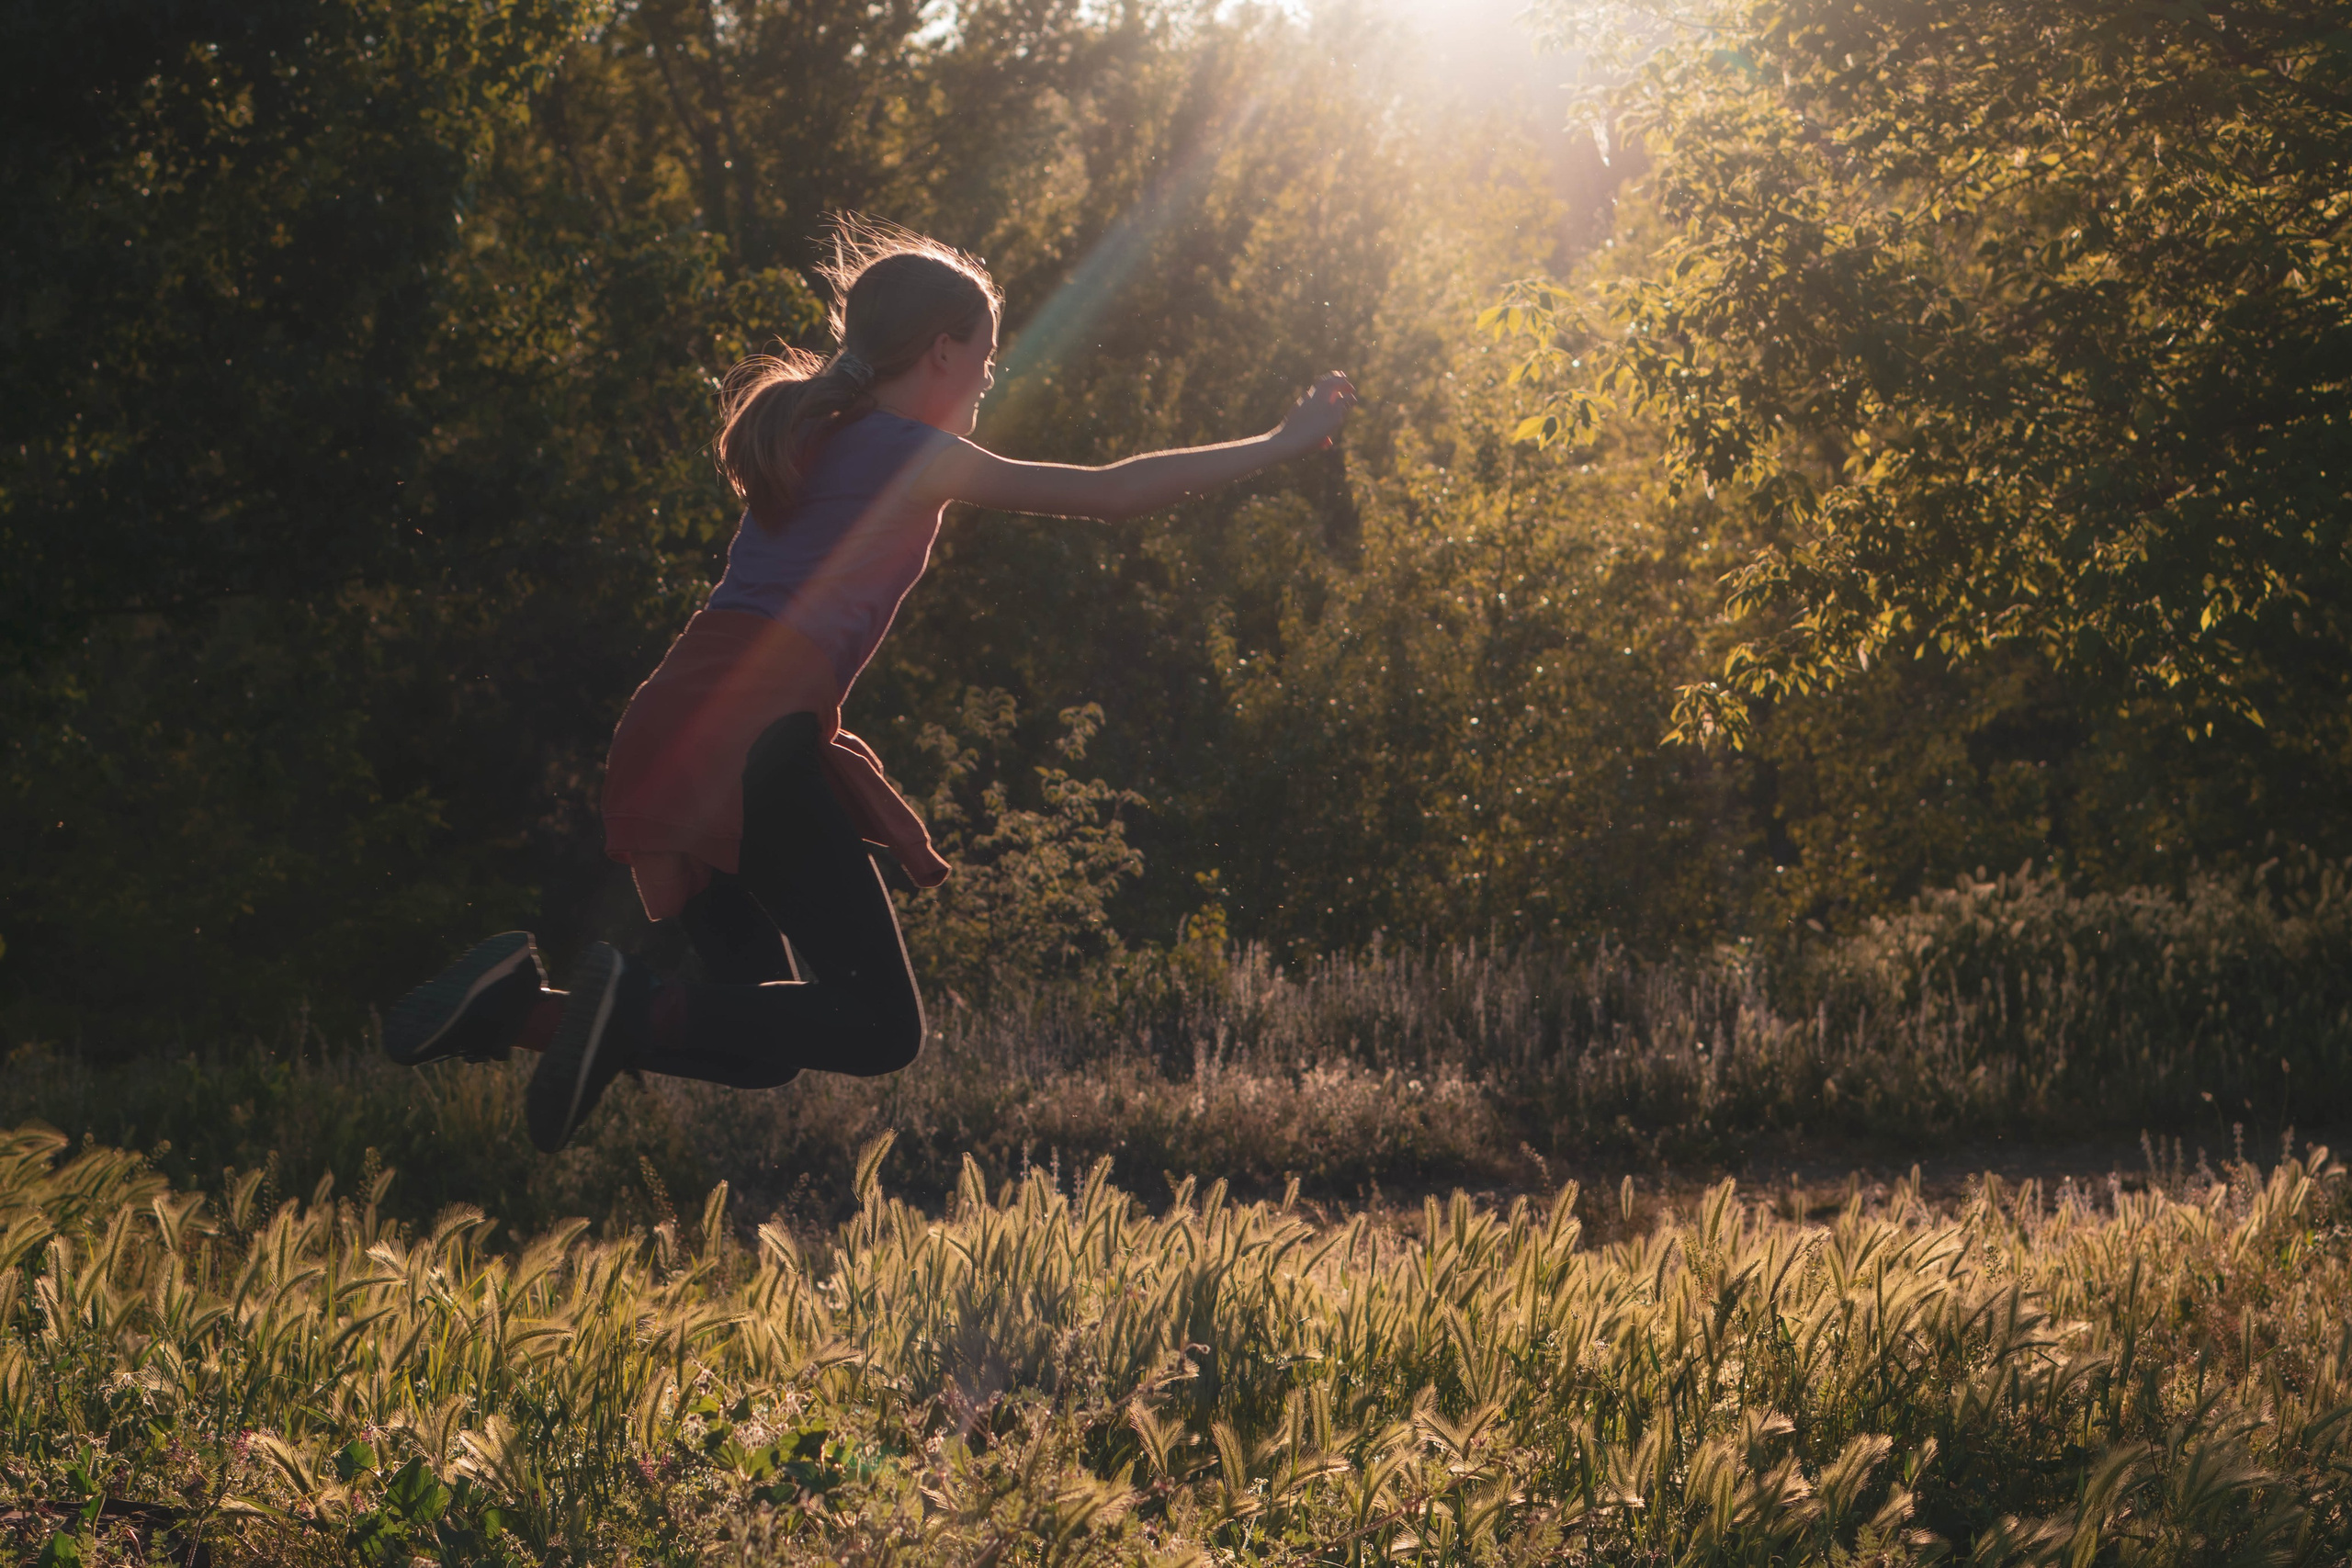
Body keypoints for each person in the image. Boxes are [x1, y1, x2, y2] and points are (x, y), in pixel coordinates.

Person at [381, 220, 1357, 1152]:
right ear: (940, 351)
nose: (987, 375)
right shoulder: (906, 451)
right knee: (875, 1028)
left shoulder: (807, 436)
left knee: (753, 1037)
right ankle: (624, 1002)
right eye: (984, 354)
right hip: (750, 733)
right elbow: (1110, 493)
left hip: (672, 727)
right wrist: (1278, 443)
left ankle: (514, 1008)